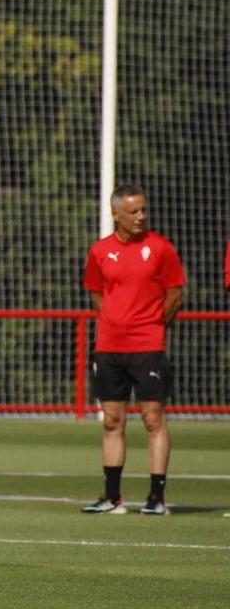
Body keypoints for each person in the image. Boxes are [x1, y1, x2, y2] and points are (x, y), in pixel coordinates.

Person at [80, 185, 184, 515]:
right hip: (109, 347)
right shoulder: (99, 251)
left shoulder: (161, 248)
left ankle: (156, 498)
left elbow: (175, 295)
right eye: (133, 211)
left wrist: (152, 325)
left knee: (153, 420)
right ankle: (113, 498)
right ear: (116, 214)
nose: (141, 216)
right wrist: (115, 318)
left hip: (147, 347)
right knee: (112, 421)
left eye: (143, 209)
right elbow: (96, 293)